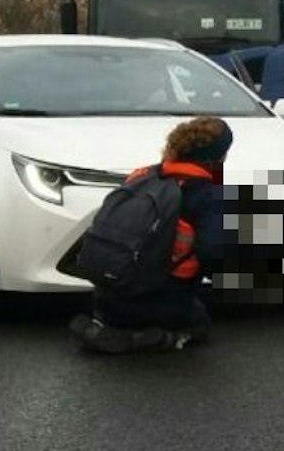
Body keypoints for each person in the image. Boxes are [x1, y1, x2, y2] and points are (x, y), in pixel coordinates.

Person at [69, 117, 235, 354]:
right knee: (200, 323)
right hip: (164, 301)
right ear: (218, 157)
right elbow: (213, 255)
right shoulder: (206, 195)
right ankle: (144, 338)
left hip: (107, 295)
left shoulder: (142, 176)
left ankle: (106, 327)